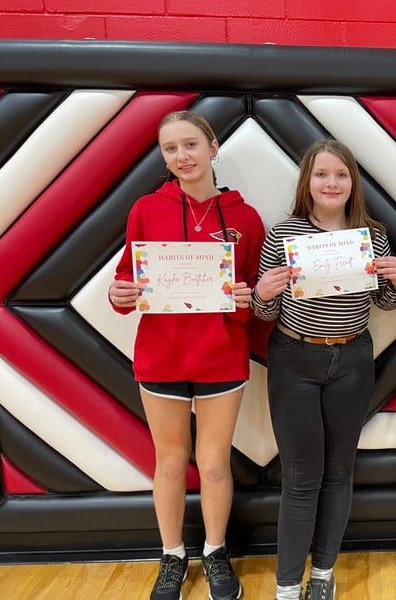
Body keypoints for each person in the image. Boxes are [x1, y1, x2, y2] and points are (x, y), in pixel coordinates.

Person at [109, 110, 265, 600]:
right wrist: (120, 295)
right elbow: (125, 284)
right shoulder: (145, 210)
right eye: (170, 148)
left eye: (191, 144)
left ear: (213, 147)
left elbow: (260, 296)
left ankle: (215, 552)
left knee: (215, 464)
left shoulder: (245, 217)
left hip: (221, 356)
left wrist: (248, 298)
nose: (182, 156)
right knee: (171, 462)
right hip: (162, 356)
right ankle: (172, 554)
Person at [251, 139, 396, 600]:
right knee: (302, 479)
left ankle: (321, 576)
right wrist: (262, 292)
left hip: (353, 361)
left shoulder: (372, 235)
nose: (331, 183)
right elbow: (264, 313)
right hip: (294, 361)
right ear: (308, 183)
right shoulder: (284, 234)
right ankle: (285, 586)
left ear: (352, 183)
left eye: (340, 175)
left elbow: (385, 303)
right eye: (322, 174)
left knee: (340, 473)